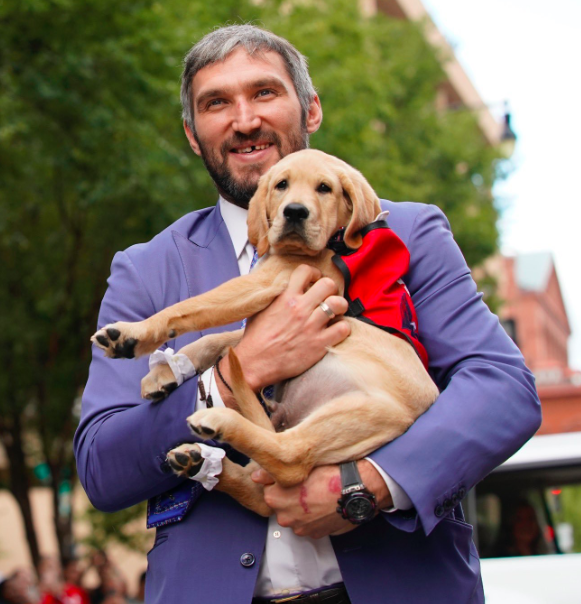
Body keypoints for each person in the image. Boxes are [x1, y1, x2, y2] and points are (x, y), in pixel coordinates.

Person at [74, 23, 541, 604]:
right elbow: (102, 465)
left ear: (311, 109)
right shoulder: (146, 269)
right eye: (216, 103)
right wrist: (233, 373)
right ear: (193, 135)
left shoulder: (407, 232)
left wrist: (367, 485)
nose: (244, 120)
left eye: (265, 92)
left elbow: (504, 389)